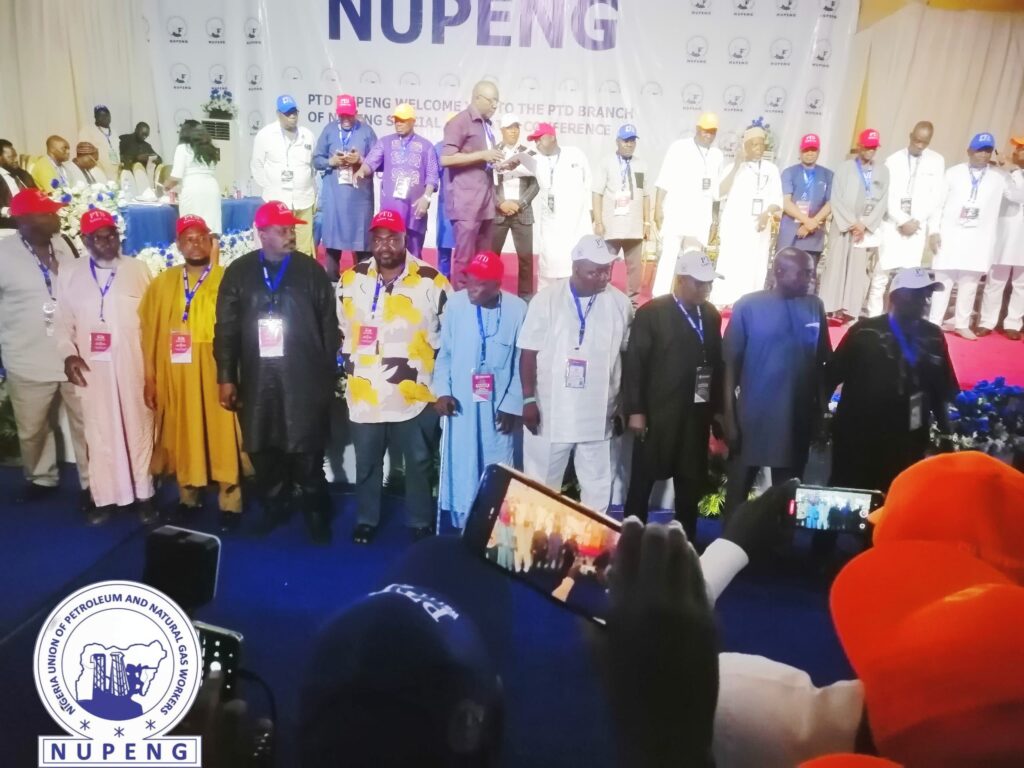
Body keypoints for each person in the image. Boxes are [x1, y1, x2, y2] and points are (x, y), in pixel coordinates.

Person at [214, 201, 338, 543]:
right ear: (262, 234)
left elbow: (329, 326)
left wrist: (327, 374)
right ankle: (275, 505)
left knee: (307, 451)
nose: (291, 235)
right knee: (262, 448)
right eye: (283, 230)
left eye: (292, 229)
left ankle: (315, 511)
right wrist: (226, 376)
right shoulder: (238, 272)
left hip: (303, 377)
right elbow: (225, 329)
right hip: (257, 378)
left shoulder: (311, 271)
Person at [337, 209, 451, 545]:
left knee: (418, 461)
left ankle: (419, 520)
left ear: (405, 239)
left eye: (392, 238)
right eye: (378, 239)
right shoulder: (351, 279)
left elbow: (450, 335)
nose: (384, 246)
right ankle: (366, 519)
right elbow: (341, 326)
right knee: (367, 463)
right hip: (365, 393)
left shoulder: (432, 281)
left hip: (415, 393)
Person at [140, 215, 245, 531]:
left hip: (217, 373)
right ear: (178, 244)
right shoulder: (163, 282)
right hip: (177, 374)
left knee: (223, 433)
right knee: (183, 431)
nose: (196, 243)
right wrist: (150, 377)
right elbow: (148, 332)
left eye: (202, 237)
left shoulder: (228, 279)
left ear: (211, 242)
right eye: (188, 238)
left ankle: (230, 501)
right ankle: (188, 497)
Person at [518, 235, 633, 514]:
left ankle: (593, 539)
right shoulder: (546, 300)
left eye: (607, 270)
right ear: (576, 269)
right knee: (541, 487)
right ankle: (538, 538)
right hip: (551, 412)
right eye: (595, 271)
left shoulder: (619, 303)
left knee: (598, 488)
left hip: (600, 413)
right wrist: (528, 400)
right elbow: (528, 353)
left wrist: (623, 403)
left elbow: (628, 356)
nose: (604, 277)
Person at [55, 209, 156, 522]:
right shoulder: (69, 273)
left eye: (112, 235)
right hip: (92, 369)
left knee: (139, 428)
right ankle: (105, 499)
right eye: (99, 238)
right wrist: (68, 354)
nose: (108, 242)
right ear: (85, 240)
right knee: (100, 431)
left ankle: (144, 496)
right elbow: (62, 322)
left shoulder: (138, 269)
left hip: (133, 366)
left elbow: (152, 321)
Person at [0, 189, 91, 514]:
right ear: (24, 221)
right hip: (27, 357)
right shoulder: (3, 254)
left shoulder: (64, 244)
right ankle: (41, 478)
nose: (56, 217)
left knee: (86, 424)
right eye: (47, 213)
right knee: (32, 429)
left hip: (73, 356)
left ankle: (92, 483)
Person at [721, 247, 831, 517]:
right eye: (803, 273)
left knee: (788, 500)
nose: (810, 279)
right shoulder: (748, 305)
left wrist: (822, 413)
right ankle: (730, 541)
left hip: (796, 421)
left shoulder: (814, 306)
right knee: (737, 496)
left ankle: (780, 543)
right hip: (752, 420)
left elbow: (821, 365)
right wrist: (729, 419)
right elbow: (729, 366)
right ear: (779, 272)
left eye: (812, 273)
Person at [828, 267, 957, 493]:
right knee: (850, 492)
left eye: (927, 295)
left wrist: (946, 433)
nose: (924, 302)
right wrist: (821, 419)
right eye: (916, 295)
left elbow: (941, 387)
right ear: (895, 297)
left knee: (899, 494)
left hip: (909, 435)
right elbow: (831, 375)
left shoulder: (933, 335)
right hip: (858, 433)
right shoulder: (864, 331)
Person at [623, 250, 723, 541]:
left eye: (708, 283)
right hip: (658, 414)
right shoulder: (652, 313)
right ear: (680, 280)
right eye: (699, 283)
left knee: (690, 482)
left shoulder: (711, 315)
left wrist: (717, 410)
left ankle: (685, 542)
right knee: (643, 481)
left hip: (695, 416)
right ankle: (632, 540)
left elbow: (717, 365)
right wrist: (636, 410)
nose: (705, 289)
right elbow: (635, 364)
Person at [434, 251, 526, 529]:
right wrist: (442, 392)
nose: (471, 288)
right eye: (469, 281)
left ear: (498, 285)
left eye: (480, 283)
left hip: (498, 408)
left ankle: (496, 530)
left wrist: (512, 405)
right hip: (460, 405)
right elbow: (445, 354)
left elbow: (521, 362)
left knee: (497, 466)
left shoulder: (517, 309)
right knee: (462, 466)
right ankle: (463, 528)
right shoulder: (455, 305)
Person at [929, 132, 1024, 339]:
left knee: (970, 284)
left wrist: (1009, 169)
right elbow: (937, 204)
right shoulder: (953, 173)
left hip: (978, 240)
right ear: (969, 151)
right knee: (943, 282)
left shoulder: (999, 177)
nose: (983, 154)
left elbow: (1018, 197)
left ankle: (962, 324)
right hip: (950, 235)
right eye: (980, 150)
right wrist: (934, 230)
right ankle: (933, 324)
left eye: (988, 150)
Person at [867, 121, 945, 316]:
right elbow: (886, 195)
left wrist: (922, 224)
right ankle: (874, 316)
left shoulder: (937, 161)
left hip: (917, 227)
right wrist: (902, 220)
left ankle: (901, 317)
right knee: (881, 275)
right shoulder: (893, 160)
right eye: (917, 140)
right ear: (910, 136)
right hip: (893, 225)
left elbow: (936, 197)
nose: (919, 145)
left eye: (924, 142)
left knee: (909, 279)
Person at [652, 112, 724, 296]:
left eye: (712, 131)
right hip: (676, 211)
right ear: (697, 129)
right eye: (705, 130)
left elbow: (716, 192)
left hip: (701, 215)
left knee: (692, 259)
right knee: (669, 256)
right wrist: (658, 208)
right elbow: (664, 179)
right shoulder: (679, 147)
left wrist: (715, 220)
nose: (708, 134)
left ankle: (686, 297)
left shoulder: (717, 155)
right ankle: (659, 297)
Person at [821, 129, 890, 321]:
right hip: (843, 227)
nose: (870, 151)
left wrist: (864, 225)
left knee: (858, 271)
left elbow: (882, 202)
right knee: (835, 266)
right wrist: (852, 223)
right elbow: (836, 198)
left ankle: (850, 311)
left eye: (873, 147)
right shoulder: (844, 168)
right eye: (867, 147)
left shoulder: (883, 171)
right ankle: (829, 307)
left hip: (865, 231)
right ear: (859, 146)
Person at [440, 80, 503, 290]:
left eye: (497, 101)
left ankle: (480, 295)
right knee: (465, 257)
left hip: (486, 201)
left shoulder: (487, 125)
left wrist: (500, 163)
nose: (495, 105)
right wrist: (483, 155)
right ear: (477, 98)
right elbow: (446, 159)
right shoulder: (459, 122)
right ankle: (460, 299)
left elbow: (483, 160)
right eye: (491, 100)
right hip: (466, 203)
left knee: (483, 258)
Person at [713, 124, 784, 307]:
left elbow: (777, 199)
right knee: (731, 261)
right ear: (745, 146)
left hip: (760, 225)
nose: (758, 148)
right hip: (735, 225)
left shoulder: (771, 169)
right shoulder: (733, 167)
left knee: (755, 264)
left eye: (761, 145)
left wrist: (767, 213)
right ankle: (724, 300)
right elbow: (719, 193)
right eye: (753, 144)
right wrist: (737, 165)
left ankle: (750, 303)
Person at [357, 103, 439, 259]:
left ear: (413, 121)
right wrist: (362, 170)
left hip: (415, 208)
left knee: (414, 254)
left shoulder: (426, 146)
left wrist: (426, 197)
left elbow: (432, 175)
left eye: (403, 120)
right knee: (389, 252)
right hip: (391, 208)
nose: (398, 124)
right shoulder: (385, 142)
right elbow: (371, 162)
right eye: (396, 120)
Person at [314, 94, 377, 280]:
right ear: (337, 113)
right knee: (333, 244)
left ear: (356, 112)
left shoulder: (366, 132)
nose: (346, 119)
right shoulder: (329, 130)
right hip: (335, 199)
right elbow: (316, 160)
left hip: (360, 201)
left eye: (349, 114)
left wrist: (361, 160)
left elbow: (379, 161)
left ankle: (363, 284)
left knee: (362, 244)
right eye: (342, 115)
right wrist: (331, 161)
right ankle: (332, 285)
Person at [250, 95, 317, 256]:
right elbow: (257, 165)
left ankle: (302, 272)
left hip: (304, 199)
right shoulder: (265, 135)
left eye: (294, 112)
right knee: (279, 246)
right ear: (278, 114)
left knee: (304, 249)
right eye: (287, 113)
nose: (292, 116)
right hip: (277, 202)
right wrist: (271, 187)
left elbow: (313, 167)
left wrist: (311, 189)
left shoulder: (307, 135)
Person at [531, 123, 593, 290]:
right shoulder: (535, 160)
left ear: (552, 137)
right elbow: (514, 167)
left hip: (575, 223)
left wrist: (591, 211)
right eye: (535, 140)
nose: (537, 143)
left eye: (539, 139)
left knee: (573, 266)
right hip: (550, 225)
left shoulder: (575, 154)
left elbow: (588, 183)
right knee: (548, 268)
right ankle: (544, 301)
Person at [593, 123, 650, 304]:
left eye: (632, 140)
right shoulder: (606, 162)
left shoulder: (641, 165)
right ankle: (600, 300)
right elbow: (597, 193)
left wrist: (647, 222)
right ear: (617, 141)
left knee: (635, 269)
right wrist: (598, 221)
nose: (629, 144)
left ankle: (633, 305)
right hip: (611, 225)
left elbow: (646, 195)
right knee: (604, 265)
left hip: (634, 226)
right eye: (626, 140)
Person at [978, 134, 1024, 340]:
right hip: (1004, 236)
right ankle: (987, 321)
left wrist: (1006, 170)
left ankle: (1013, 323)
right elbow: (1009, 195)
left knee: (1021, 285)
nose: (1017, 152)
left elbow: (1018, 196)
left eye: (1022, 148)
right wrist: (1004, 170)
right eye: (1017, 148)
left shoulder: (1007, 173)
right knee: (995, 281)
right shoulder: (1005, 174)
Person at [492, 113, 539, 298]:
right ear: (502, 130)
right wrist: (500, 203)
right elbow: (486, 182)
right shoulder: (492, 153)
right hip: (498, 213)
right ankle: (490, 293)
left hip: (522, 212)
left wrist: (521, 203)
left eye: (516, 127)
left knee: (526, 259)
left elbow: (536, 183)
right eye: (509, 128)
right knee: (492, 258)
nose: (513, 131)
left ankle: (525, 298)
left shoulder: (528, 153)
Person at [777, 134, 833, 267]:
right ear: (800, 151)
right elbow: (786, 202)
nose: (810, 153)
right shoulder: (789, 172)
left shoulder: (828, 174)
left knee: (809, 275)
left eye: (813, 150)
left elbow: (831, 203)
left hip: (814, 235)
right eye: (806, 150)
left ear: (818, 151)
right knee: (786, 274)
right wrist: (807, 221)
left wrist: (811, 224)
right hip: (791, 234)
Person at [166, 121, 222, 235]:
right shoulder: (209, 148)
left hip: (193, 190)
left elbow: (176, 176)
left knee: (192, 229)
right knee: (212, 229)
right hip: (212, 188)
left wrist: (166, 186)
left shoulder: (183, 148)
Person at [0, 139, 37, 233]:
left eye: (15, 156)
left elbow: (36, 194)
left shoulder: (23, 174)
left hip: (33, 222)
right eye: (11, 157)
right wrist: (10, 211)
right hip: (8, 227)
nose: (16, 160)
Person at [78, 105, 119, 179]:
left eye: (107, 115)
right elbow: (83, 153)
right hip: (98, 173)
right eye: (101, 115)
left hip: (115, 173)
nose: (105, 118)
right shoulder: (87, 130)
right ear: (95, 117)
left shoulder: (114, 132)